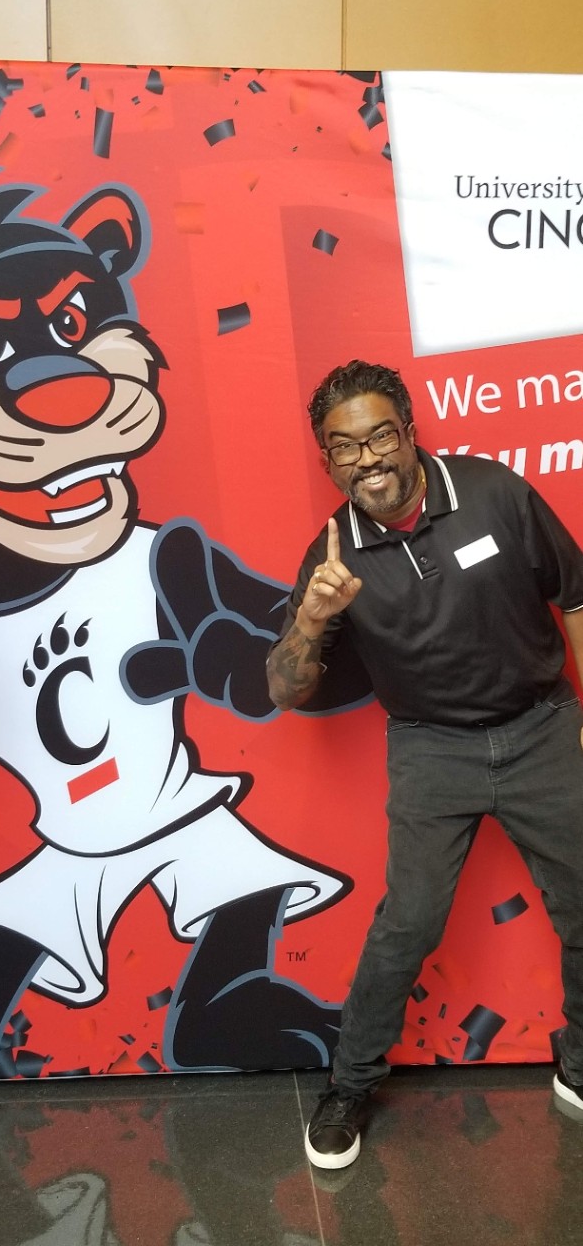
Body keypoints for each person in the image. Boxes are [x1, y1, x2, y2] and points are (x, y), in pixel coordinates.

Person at [266, 359, 583, 1170]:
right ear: (327, 461)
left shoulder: (492, 493)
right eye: (344, 448)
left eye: (379, 436)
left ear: (409, 432)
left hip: (542, 728)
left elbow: (576, 594)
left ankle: (578, 1059)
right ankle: (350, 1084)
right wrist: (312, 616)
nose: (367, 459)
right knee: (407, 924)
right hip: (430, 745)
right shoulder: (332, 556)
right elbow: (286, 691)